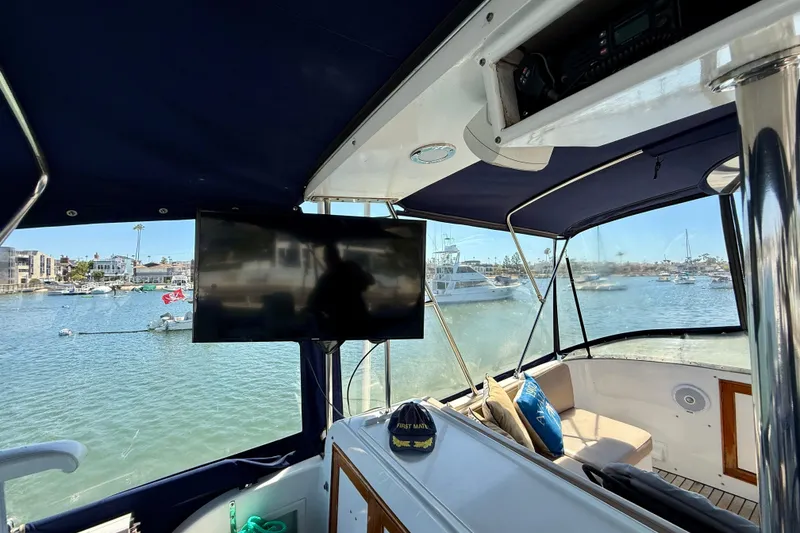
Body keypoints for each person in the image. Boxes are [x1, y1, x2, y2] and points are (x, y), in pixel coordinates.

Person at [307, 243, 375, 338]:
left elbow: (312, 303)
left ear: (327, 259)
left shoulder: (327, 279)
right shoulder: (350, 267)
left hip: (340, 325)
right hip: (360, 320)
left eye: (326, 258)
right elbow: (369, 281)